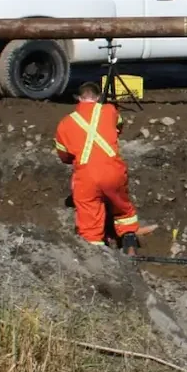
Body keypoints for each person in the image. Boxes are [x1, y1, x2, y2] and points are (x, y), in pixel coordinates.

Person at [54, 82, 142, 254]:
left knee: (89, 221)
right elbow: (119, 127)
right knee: (122, 207)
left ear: (79, 98)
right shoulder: (109, 110)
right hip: (113, 170)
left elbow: (64, 156)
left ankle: (97, 256)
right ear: (98, 97)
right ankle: (129, 239)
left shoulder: (65, 123)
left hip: (86, 176)